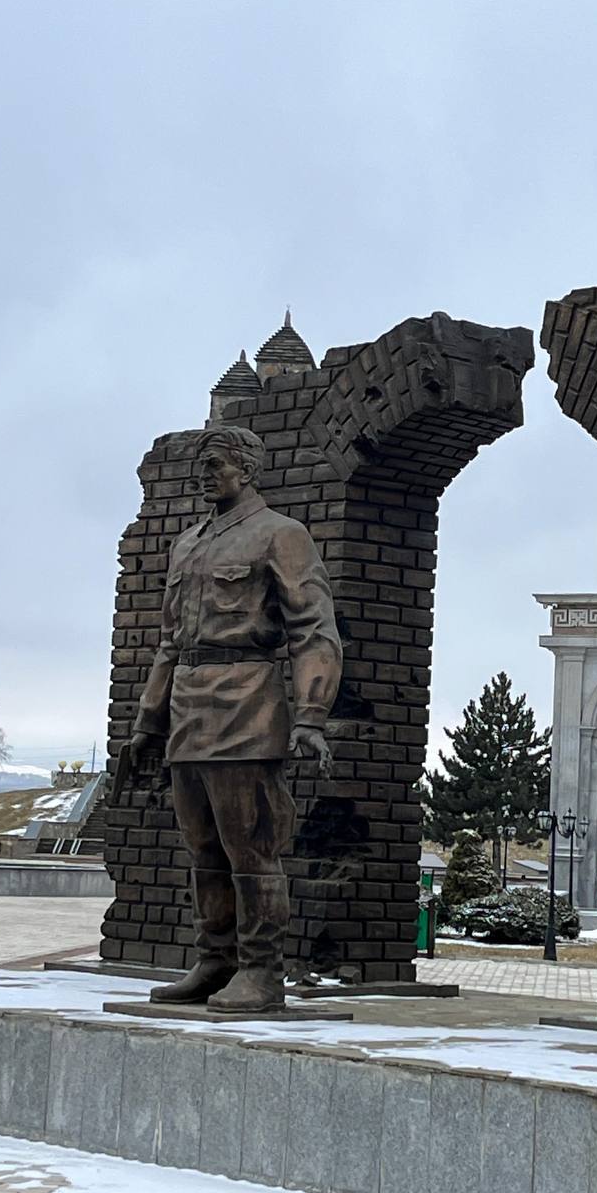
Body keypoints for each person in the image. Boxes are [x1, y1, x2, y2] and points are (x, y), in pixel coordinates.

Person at [127, 425, 342, 1012]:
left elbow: (313, 629)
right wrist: (148, 721)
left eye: (215, 464)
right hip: (188, 711)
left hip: (247, 705)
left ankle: (261, 970)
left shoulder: (281, 534)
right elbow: (170, 642)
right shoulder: (187, 544)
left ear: (247, 470)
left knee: (250, 848)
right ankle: (215, 960)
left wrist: (311, 714)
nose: (204, 475)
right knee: (202, 848)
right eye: (201, 465)